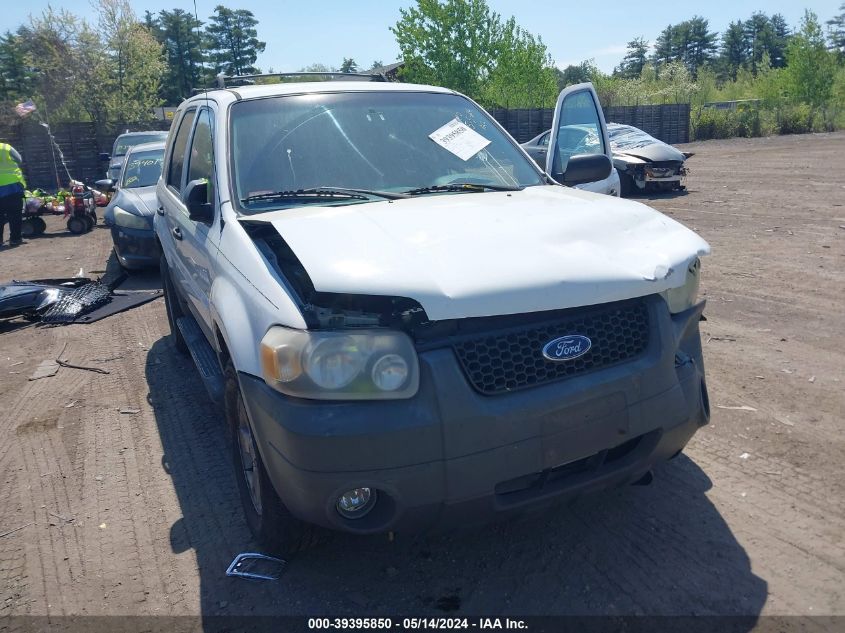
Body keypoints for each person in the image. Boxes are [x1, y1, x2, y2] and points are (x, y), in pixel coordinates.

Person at [0, 142, 27, 246]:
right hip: (12, 186)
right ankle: (15, 239)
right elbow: (19, 160)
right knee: (15, 214)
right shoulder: (5, 147)